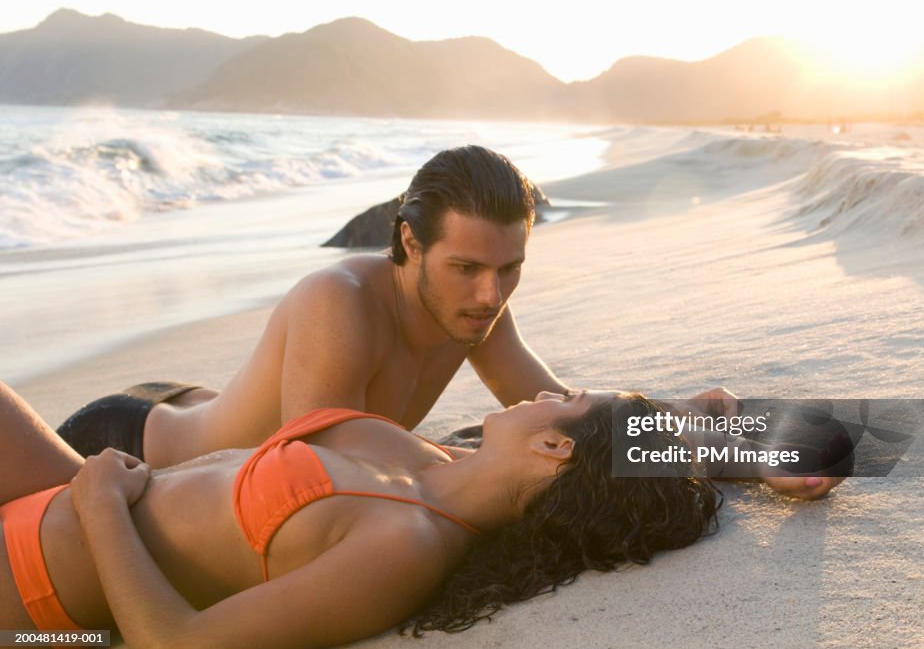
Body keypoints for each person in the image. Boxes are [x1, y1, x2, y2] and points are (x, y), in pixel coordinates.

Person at [55, 145, 841, 502]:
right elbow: (310, 476)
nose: (489, 294)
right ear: (408, 243)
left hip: (195, 403)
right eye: (466, 267)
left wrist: (734, 448)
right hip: (125, 441)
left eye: (510, 269)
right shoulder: (340, 301)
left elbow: (566, 410)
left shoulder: (478, 308)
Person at [0, 382, 718, 649]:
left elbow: (175, 647)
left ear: (555, 446)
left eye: (569, 394)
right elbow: (630, 458)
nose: (548, 386)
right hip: (60, 489)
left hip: (33, 588)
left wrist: (98, 508)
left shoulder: (403, 546)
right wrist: (738, 439)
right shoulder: (438, 459)